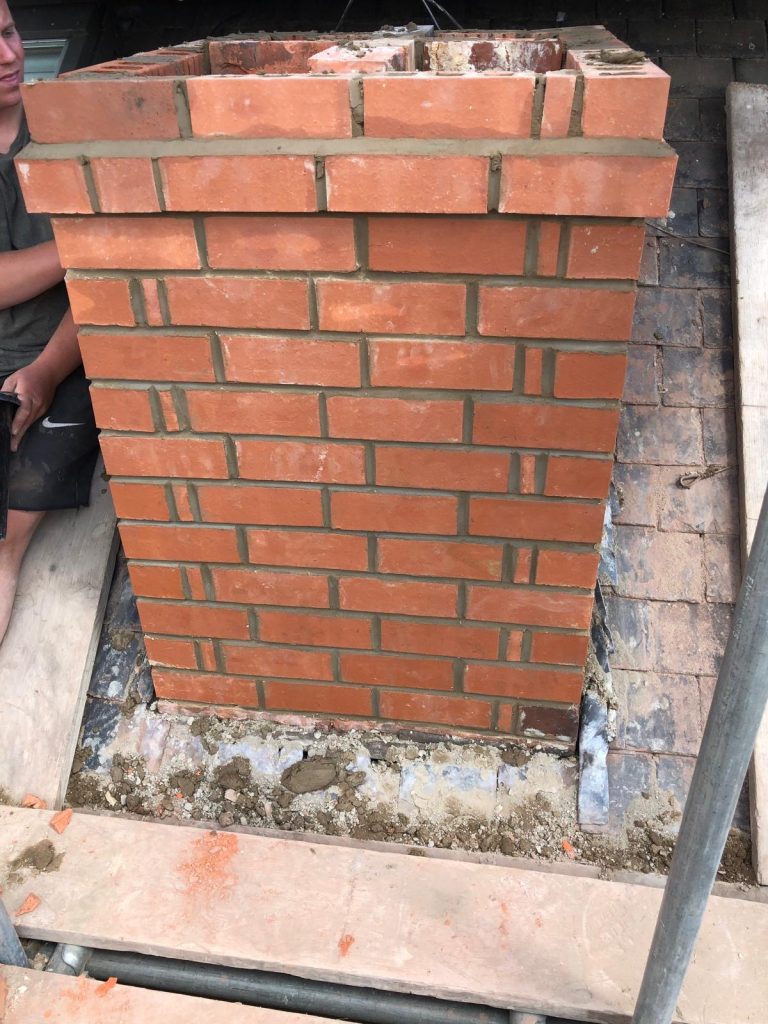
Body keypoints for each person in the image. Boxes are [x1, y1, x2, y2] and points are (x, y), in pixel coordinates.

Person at [0, 0, 99, 643]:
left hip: (66, 355)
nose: (10, 56)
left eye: (9, 33)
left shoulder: (67, 130)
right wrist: (81, 244)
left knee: (4, 531)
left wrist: (43, 371)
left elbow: (104, 286)